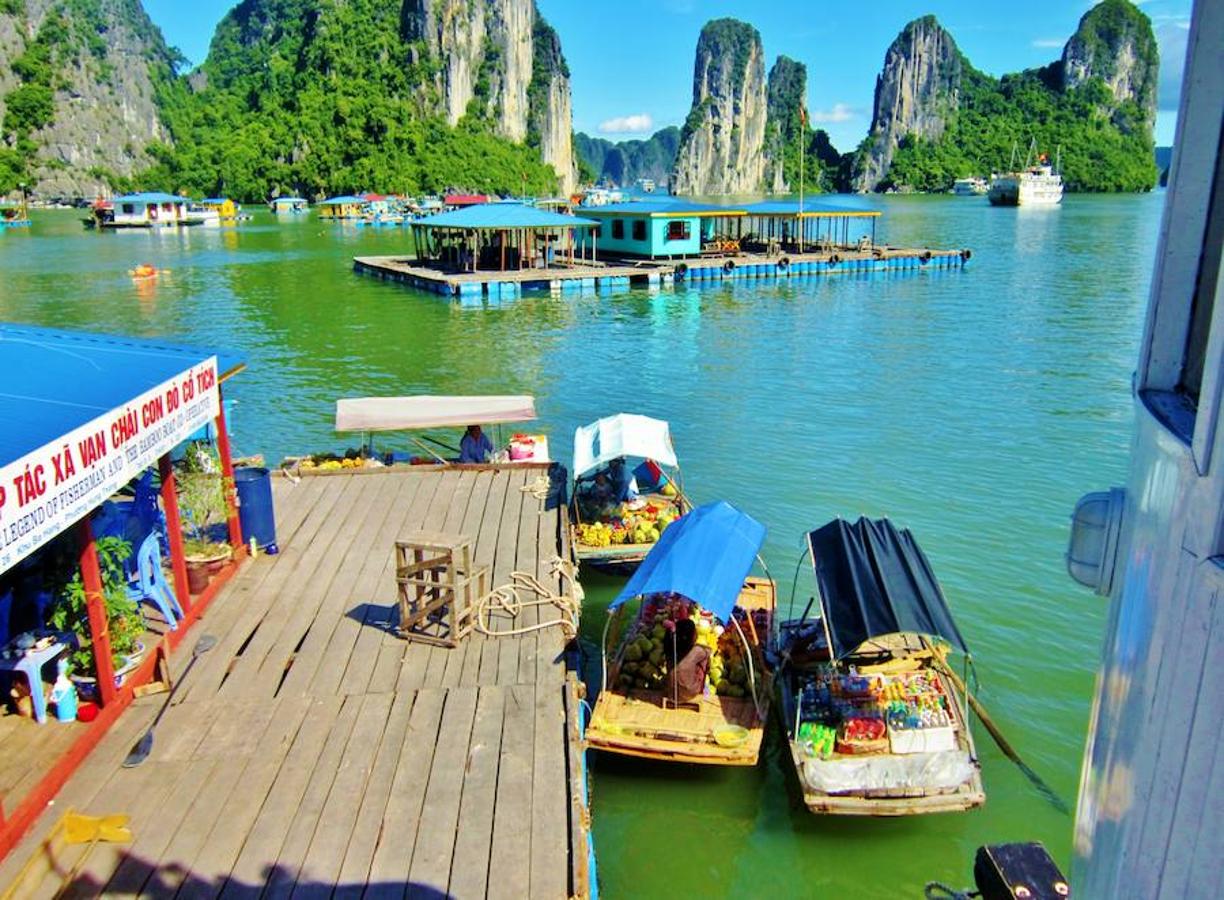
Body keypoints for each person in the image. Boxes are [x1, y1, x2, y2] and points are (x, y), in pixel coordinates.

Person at [662, 618, 711, 705]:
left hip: (671, 693)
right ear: (692, 637)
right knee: (705, 660)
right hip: (689, 693)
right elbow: (708, 651)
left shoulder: (669, 646)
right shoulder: (696, 651)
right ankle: (703, 687)